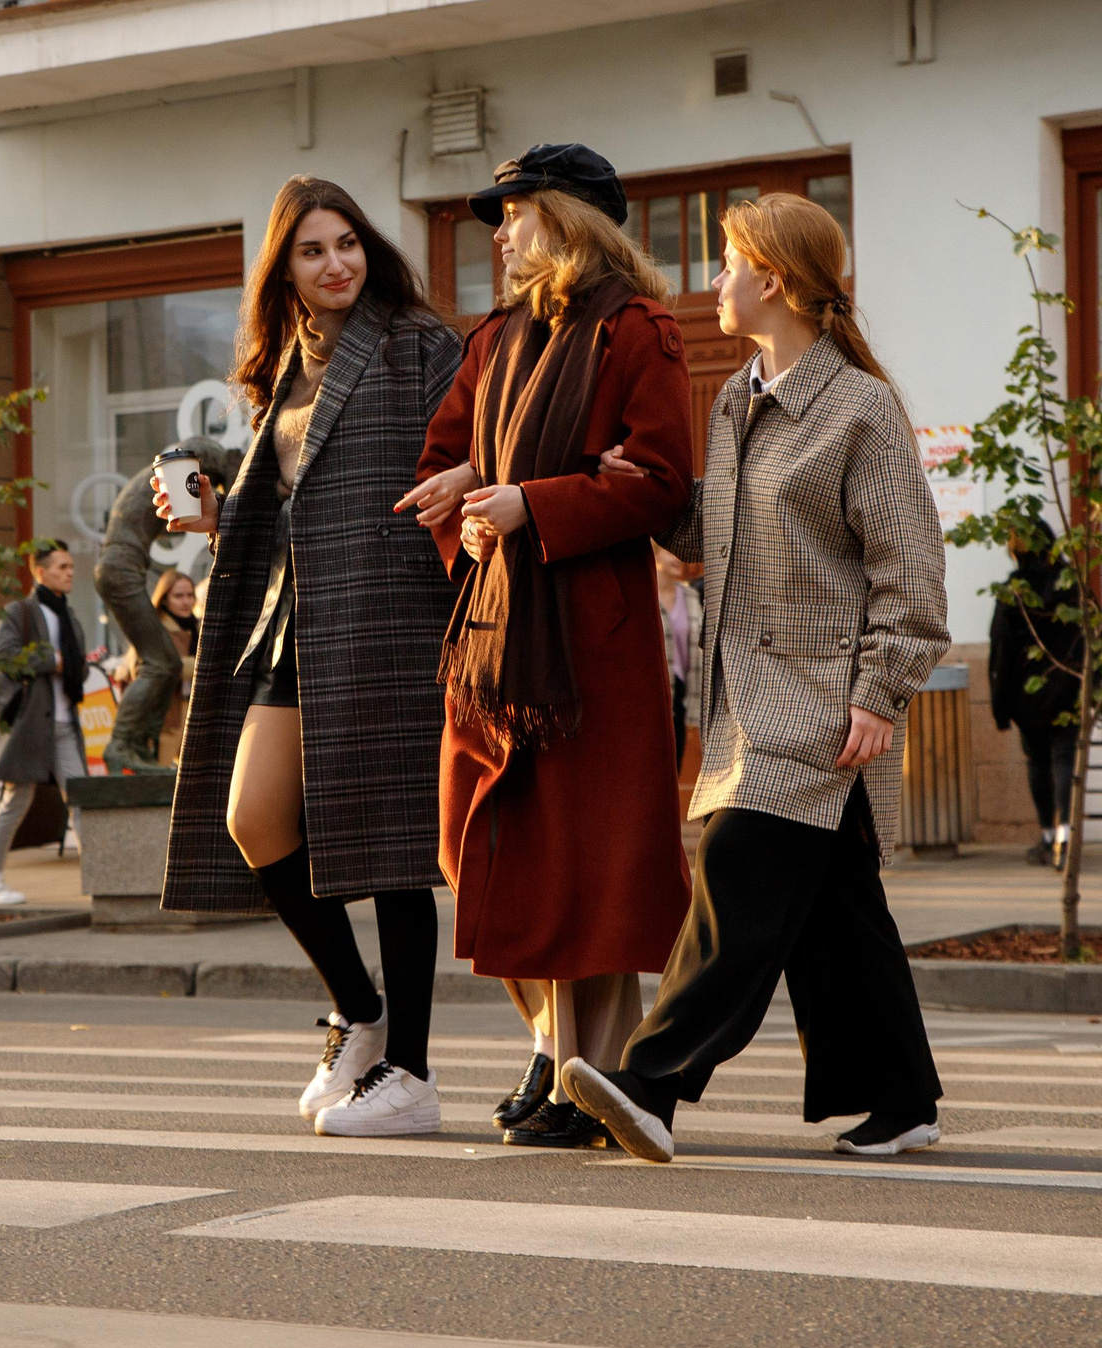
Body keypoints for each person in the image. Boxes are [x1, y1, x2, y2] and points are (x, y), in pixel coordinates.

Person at [563, 191, 952, 1164]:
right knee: (836, 908)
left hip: (818, 703)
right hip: (748, 700)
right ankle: (899, 1094)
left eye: (728, 262)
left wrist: (879, 691)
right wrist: (644, 496)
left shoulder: (856, 410)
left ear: (771, 279)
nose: (716, 282)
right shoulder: (739, 397)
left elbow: (912, 568)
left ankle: (650, 1081)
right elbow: (722, 535)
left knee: (736, 874)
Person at [155, 176, 465, 1138]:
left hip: (390, 609)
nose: (336, 264)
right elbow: (289, 506)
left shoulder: (420, 344)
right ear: (282, 269)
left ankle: (411, 1073)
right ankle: (360, 1011)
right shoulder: (286, 367)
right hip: (294, 614)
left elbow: (470, 457)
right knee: (253, 817)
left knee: (393, 849)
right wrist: (217, 514)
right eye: (312, 250)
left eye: (347, 244)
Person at [401, 143, 695, 1149]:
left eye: (515, 211)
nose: (501, 230)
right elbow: (448, 459)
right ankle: (554, 1048)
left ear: (570, 219)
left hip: (592, 642)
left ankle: (589, 1077)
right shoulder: (497, 335)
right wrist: (468, 505)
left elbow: (661, 483)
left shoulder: (638, 329)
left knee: (587, 870)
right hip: (493, 630)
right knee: (472, 843)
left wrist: (535, 499)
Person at [95, 438, 235, 772]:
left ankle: (138, 745)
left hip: (120, 567)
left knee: (165, 663)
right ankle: (121, 744)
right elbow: (228, 497)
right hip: (120, 569)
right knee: (161, 663)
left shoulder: (168, 467)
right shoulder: (191, 462)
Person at [990, 539, 1102, 868]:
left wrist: (1000, 704)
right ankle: (1065, 839)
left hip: (1028, 695)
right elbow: (1097, 635)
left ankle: (1048, 837)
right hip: (1070, 689)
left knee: (1037, 762)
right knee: (1066, 760)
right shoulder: (1074, 583)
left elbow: (1001, 647)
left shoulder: (1015, 589)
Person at [0, 541, 92, 908]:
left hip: (64, 724)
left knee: (81, 802)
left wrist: (75, 664)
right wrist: (54, 660)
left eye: (71, 566)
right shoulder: (20, 612)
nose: (70, 572)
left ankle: (101, 876)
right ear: (40, 572)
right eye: (61, 567)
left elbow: (78, 667)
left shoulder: (69, 616)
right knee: (15, 801)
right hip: (29, 724)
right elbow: (5, 658)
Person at [144, 568, 200, 764]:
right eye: (178, 596)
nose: (186, 601)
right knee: (159, 777)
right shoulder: (155, 628)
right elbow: (159, 666)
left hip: (196, 709)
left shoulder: (199, 626)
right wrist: (197, 666)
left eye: (189, 595)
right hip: (166, 714)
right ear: (164, 598)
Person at [656, 546, 701, 774]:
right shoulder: (645, 599)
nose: (677, 558)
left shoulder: (691, 597)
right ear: (654, 555)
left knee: (674, 770)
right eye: (668, 552)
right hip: (654, 697)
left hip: (682, 696)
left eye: (678, 552)